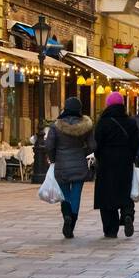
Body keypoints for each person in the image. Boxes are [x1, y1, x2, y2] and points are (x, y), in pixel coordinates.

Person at [44, 96, 94, 238]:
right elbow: (93, 146)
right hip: (79, 165)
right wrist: (81, 152)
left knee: (65, 194)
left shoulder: (56, 126)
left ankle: (66, 216)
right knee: (76, 195)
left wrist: (54, 158)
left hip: (61, 166)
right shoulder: (86, 126)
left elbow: (49, 146)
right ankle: (71, 225)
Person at [93, 91, 139, 238]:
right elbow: (136, 143)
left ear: (108, 105)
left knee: (107, 195)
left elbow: (96, 144)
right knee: (125, 191)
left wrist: (99, 157)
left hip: (106, 161)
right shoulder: (131, 122)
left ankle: (110, 229)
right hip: (125, 160)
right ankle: (127, 215)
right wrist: (130, 156)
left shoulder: (103, 122)